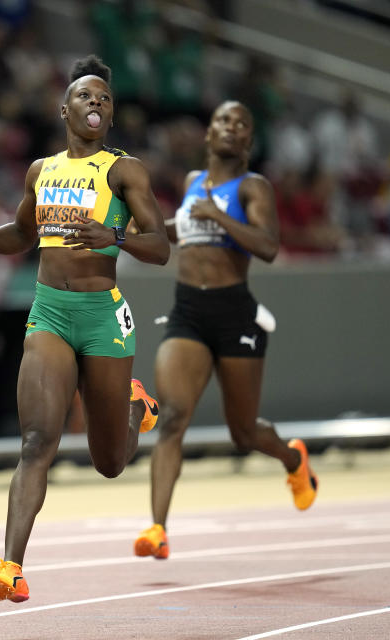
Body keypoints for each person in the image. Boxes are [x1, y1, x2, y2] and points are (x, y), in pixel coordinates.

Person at [0, 55, 170, 603]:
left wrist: (113, 238)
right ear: (63, 108)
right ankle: (11, 567)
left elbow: (161, 247)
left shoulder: (124, 171)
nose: (96, 102)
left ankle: (135, 408)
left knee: (110, 462)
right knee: (36, 441)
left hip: (102, 316)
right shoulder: (41, 171)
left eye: (105, 98)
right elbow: (21, 234)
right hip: (49, 312)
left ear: (110, 116)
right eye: (86, 95)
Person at [133, 101, 318, 561]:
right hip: (188, 312)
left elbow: (269, 246)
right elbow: (185, 230)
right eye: (223, 121)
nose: (231, 128)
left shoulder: (253, 187)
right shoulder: (194, 182)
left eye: (241, 123)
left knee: (243, 434)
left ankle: (294, 460)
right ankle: (157, 529)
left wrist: (219, 218)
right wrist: (151, 227)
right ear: (208, 135)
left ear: (248, 142)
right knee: (174, 417)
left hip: (235, 314)